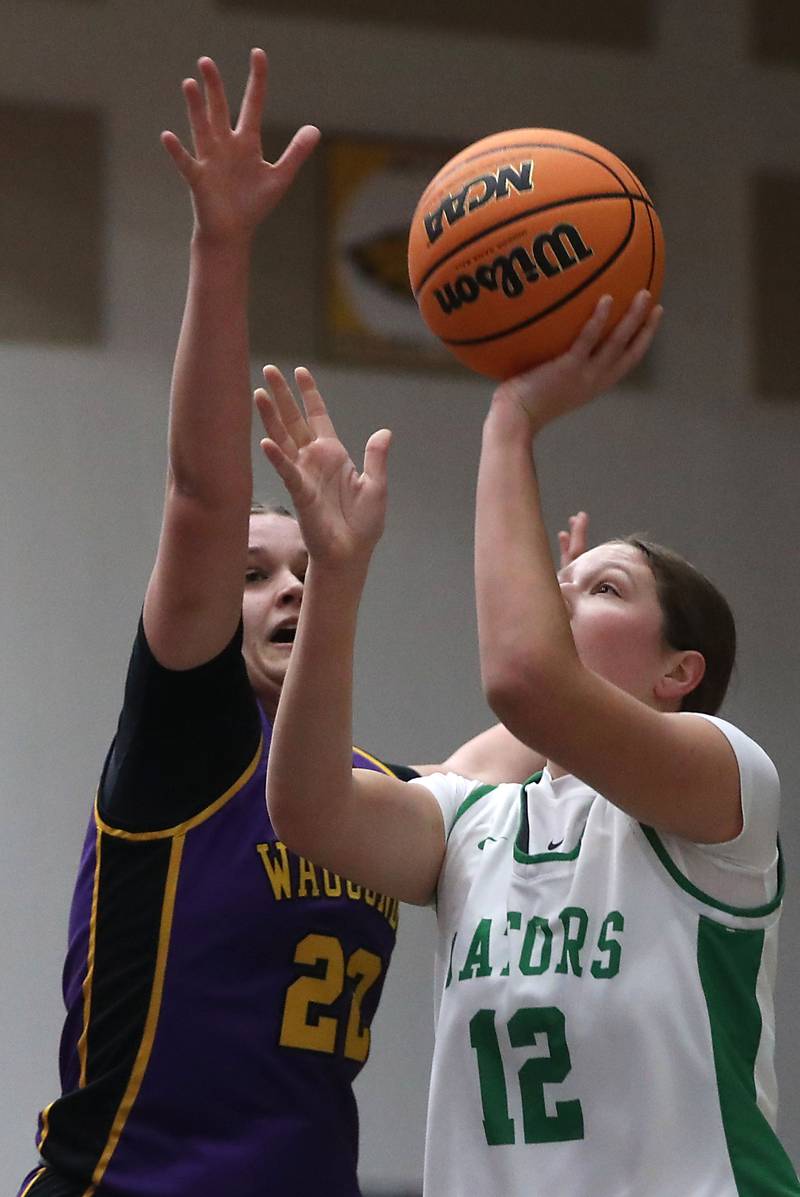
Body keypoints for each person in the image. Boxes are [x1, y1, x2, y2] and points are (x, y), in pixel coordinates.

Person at [15, 50, 548, 1197]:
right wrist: (221, 246)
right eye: (259, 577)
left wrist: (566, 590)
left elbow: (528, 721)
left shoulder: (362, 795)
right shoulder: (187, 750)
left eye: (309, 565)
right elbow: (204, 499)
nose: (290, 589)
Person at [261, 294, 800, 1195]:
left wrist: (511, 422)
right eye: (561, 579)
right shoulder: (479, 815)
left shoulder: (727, 783)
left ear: (679, 672)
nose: (560, 594)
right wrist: (338, 572)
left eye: (605, 588)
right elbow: (310, 809)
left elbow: (524, 678)